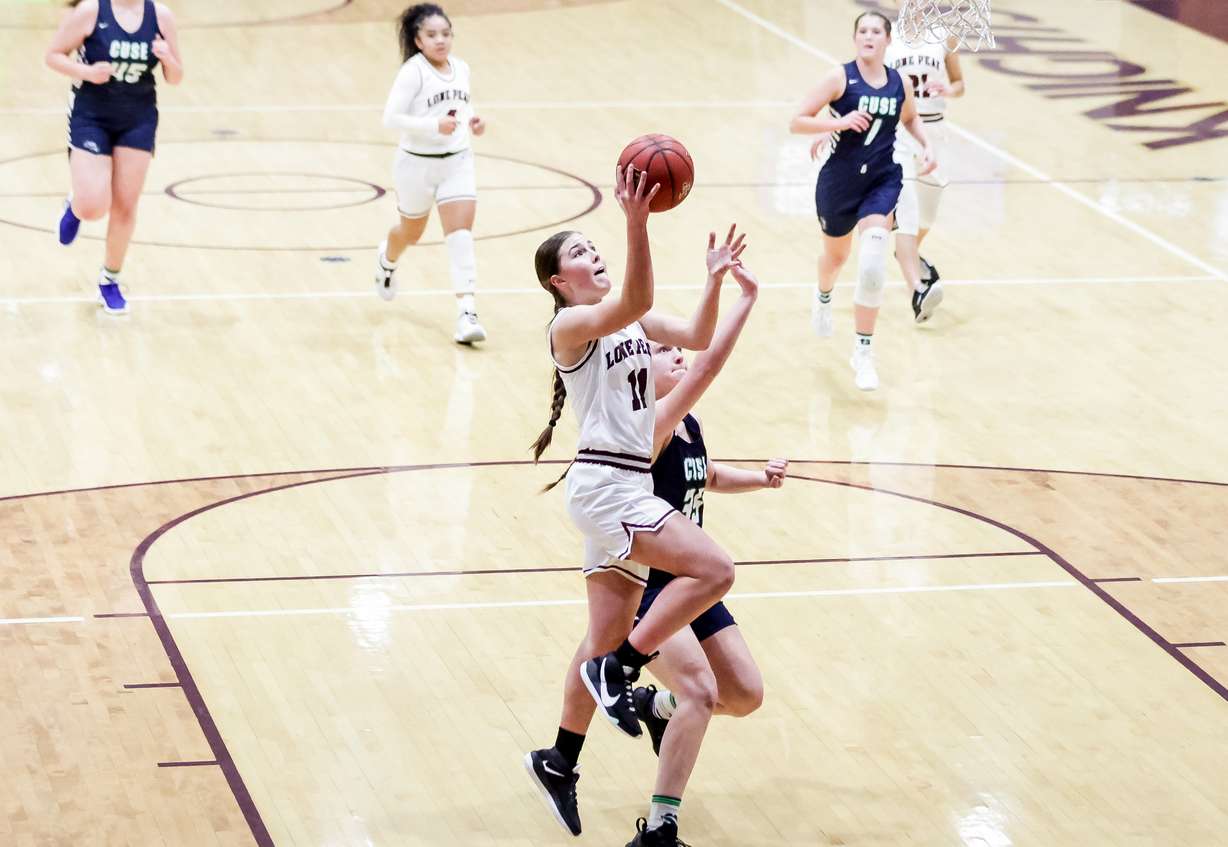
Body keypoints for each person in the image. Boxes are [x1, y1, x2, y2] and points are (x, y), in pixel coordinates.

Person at [523, 167, 741, 844]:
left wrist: (713, 279)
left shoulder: (636, 318)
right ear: (560, 281)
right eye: (579, 253)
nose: (594, 255)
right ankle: (623, 673)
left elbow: (697, 338)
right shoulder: (572, 326)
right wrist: (637, 222)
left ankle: (559, 758)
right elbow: (639, 296)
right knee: (715, 569)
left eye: (595, 245)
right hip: (607, 486)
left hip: (621, 492)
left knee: (602, 632)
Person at [620, 252, 787, 847]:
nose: (678, 354)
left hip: (694, 584)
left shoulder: (687, 427)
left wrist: (758, 480)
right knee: (702, 691)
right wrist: (731, 293)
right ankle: (660, 828)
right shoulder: (649, 426)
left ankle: (655, 705)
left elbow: (707, 475)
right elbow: (708, 360)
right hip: (653, 590)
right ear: (645, 373)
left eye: (676, 350)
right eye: (666, 353)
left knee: (744, 695)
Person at [790, 10, 935, 390]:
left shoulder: (898, 81)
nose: (868, 37)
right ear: (855, 38)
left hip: (882, 182)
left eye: (876, 31)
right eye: (862, 31)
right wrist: (837, 123)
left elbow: (910, 117)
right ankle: (823, 297)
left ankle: (863, 352)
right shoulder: (840, 77)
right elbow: (798, 120)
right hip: (839, 183)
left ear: (887, 40)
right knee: (836, 258)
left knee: (872, 264)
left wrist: (926, 143)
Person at [45, 0, 184, 315]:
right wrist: (86, 72)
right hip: (91, 114)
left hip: (138, 116)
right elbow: (52, 56)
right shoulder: (91, 11)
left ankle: (110, 279)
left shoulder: (160, 15)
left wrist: (167, 59)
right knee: (93, 206)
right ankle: (76, 205)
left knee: (125, 204)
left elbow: (175, 77)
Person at [375, 3, 487, 344]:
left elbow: (462, 107)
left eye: (446, 33)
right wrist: (432, 125)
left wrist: (473, 120)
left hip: (457, 160)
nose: (441, 40)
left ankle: (466, 313)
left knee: (460, 236)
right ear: (418, 40)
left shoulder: (461, 68)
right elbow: (390, 119)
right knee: (410, 233)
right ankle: (387, 259)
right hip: (416, 164)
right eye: (432, 35)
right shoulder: (413, 72)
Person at [886, 0, 966, 322]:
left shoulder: (944, 36)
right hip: (900, 132)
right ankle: (916, 289)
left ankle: (906, 251)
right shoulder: (888, 38)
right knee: (907, 209)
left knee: (928, 217)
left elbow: (960, 85)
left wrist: (947, 88)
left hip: (935, 131)